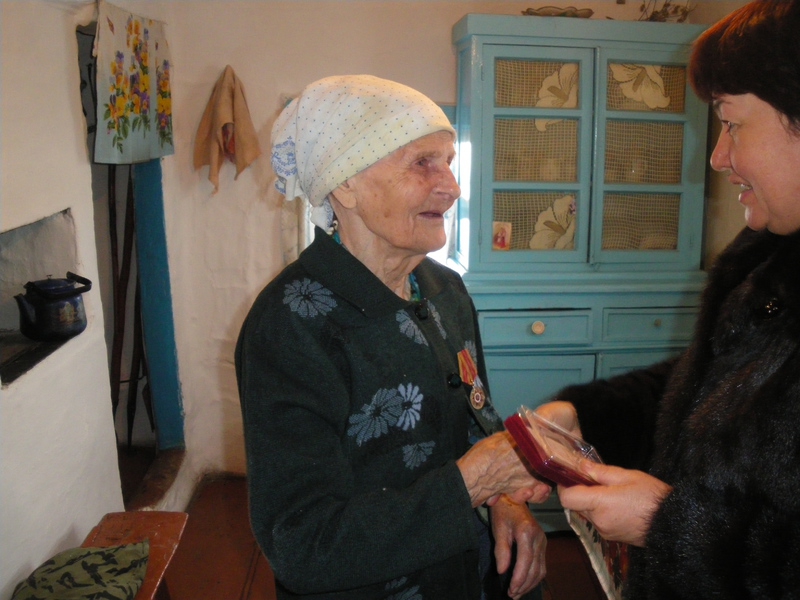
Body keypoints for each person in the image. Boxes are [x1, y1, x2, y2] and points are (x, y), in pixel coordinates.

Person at [235, 74, 551, 600]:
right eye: (422, 163)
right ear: (345, 184)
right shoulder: (290, 326)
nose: (451, 186)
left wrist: (506, 502)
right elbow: (301, 545)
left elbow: (477, 418)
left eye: (448, 161)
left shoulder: (444, 289)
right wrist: (473, 483)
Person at [530, 1, 800, 597]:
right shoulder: (768, 255)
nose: (717, 157)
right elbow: (714, 389)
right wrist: (585, 415)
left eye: (732, 123)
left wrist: (669, 525)